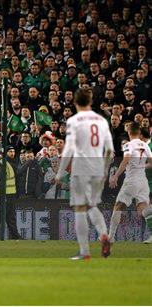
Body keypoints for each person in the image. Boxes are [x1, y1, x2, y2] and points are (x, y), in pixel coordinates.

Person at [55, 88, 113, 260]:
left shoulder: (74, 120)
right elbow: (110, 149)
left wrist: (59, 172)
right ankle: (104, 234)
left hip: (81, 168)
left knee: (80, 208)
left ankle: (85, 252)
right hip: (97, 168)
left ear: (75, 102)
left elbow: (70, 148)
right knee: (92, 206)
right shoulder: (102, 120)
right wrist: (104, 170)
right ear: (91, 101)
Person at [108, 122, 152, 244]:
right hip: (143, 181)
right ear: (139, 132)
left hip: (131, 180)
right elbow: (151, 163)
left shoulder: (128, 145)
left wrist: (115, 176)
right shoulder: (145, 145)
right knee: (142, 209)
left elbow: (126, 159)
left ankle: (110, 237)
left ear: (128, 132)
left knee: (118, 206)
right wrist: (141, 166)